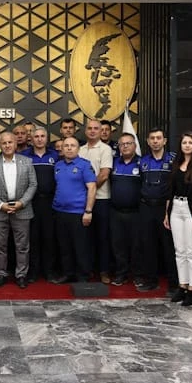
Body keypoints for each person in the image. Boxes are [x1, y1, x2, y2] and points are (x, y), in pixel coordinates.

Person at [0, 132, 38, 289]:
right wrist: (1, 205)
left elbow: (33, 185)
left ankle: (21, 275)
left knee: (22, 246)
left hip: (22, 209)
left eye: (10, 142)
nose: (7, 145)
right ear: (0, 145)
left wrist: (22, 203)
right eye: (4, 143)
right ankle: (1, 274)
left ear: (15, 144)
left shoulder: (27, 162)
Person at [164, 132, 192, 306]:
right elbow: (170, 190)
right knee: (180, 250)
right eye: (184, 142)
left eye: (190, 142)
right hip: (176, 208)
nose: (187, 145)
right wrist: (166, 213)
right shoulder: (175, 164)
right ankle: (182, 286)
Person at [52, 137, 96, 283]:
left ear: (78, 149)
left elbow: (92, 188)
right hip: (59, 211)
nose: (69, 148)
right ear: (62, 149)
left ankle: (83, 275)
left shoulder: (85, 165)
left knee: (80, 246)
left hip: (78, 212)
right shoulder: (58, 165)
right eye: (66, 146)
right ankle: (67, 273)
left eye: (72, 145)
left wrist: (88, 211)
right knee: (64, 246)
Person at [138, 128, 176, 293]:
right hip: (146, 207)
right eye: (152, 138)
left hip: (165, 208)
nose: (155, 141)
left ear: (164, 141)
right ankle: (151, 280)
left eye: (158, 138)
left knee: (169, 246)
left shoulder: (173, 160)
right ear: (148, 141)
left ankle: (174, 283)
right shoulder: (142, 161)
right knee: (148, 245)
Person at [21, 127, 59, 282]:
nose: (39, 139)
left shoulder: (55, 155)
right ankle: (33, 272)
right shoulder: (24, 156)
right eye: (36, 136)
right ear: (31, 139)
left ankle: (49, 271)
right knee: (32, 238)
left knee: (49, 238)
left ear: (47, 138)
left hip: (50, 202)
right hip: (30, 202)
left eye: (42, 136)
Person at [79, 119, 113, 283]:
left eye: (96, 128)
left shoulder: (106, 149)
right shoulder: (80, 150)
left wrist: (89, 190)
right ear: (85, 131)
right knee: (86, 238)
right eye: (89, 128)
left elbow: (104, 175)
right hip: (83, 201)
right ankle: (88, 270)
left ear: (100, 131)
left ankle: (104, 271)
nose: (92, 131)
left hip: (101, 199)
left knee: (103, 237)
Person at [109, 133, 142, 286]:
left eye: (129, 143)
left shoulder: (142, 163)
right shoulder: (114, 162)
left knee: (137, 245)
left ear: (135, 146)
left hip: (136, 212)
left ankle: (137, 275)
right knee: (118, 245)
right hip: (116, 212)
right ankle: (121, 274)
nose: (125, 146)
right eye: (122, 144)